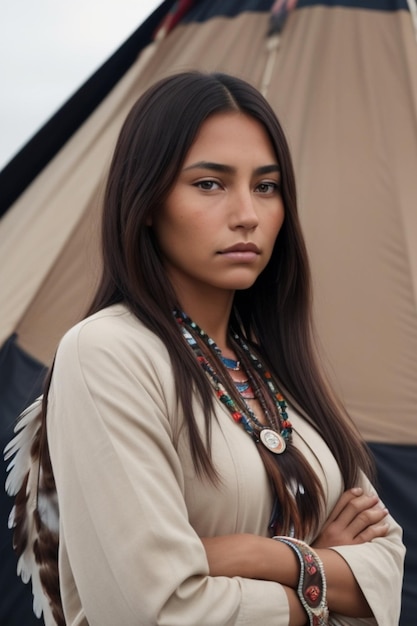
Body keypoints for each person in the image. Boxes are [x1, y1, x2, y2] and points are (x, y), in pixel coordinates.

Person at [5, 71, 404, 626]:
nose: (248, 214)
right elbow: (155, 611)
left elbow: (385, 571)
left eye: (266, 186)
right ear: (146, 200)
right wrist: (321, 573)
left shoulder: (278, 364)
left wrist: (252, 556)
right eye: (209, 184)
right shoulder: (108, 353)